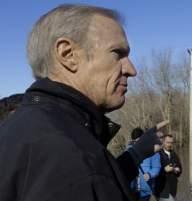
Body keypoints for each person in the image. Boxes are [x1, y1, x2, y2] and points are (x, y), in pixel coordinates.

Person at [0, 4, 163, 201]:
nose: (131, 69)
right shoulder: (70, 155)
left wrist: (136, 154)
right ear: (68, 54)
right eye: (117, 53)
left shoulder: (19, 130)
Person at [129, 128, 161, 201]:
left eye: (139, 141)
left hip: (147, 192)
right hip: (132, 192)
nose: (138, 144)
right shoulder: (128, 151)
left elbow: (157, 167)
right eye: (135, 142)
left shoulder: (153, 150)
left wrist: (149, 174)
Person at [155, 134, 182, 201]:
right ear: (163, 142)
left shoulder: (174, 154)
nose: (170, 144)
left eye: (171, 143)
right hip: (162, 188)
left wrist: (178, 170)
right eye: (168, 142)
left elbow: (180, 168)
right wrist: (164, 170)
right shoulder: (158, 154)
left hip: (173, 188)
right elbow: (154, 171)